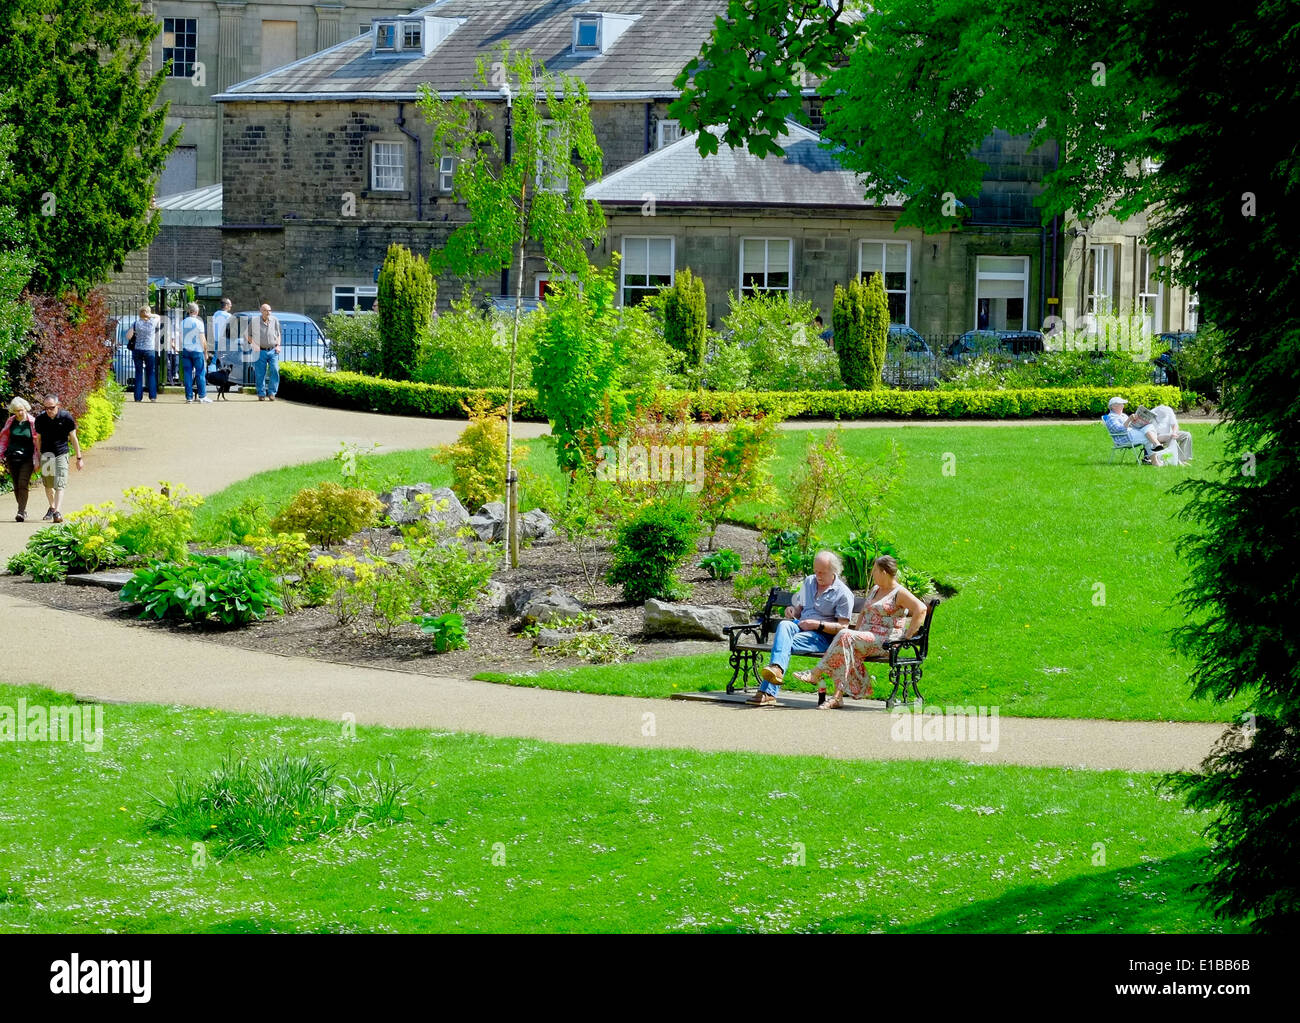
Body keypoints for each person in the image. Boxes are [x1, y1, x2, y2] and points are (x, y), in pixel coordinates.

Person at [798, 555, 928, 710]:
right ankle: (837, 698)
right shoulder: (875, 590)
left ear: (884, 573)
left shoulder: (899, 593)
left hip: (885, 642)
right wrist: (857, 633)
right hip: (866, 638)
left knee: (845, 635)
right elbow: (863, 613)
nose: (872, 575)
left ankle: (816, 673)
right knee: (846, 643)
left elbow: (921, 609)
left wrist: (906, 638)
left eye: (874, 571)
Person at [748, 550, 854, 707]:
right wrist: (792, 610)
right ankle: (776, 670)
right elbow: (799, 608)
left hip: (822, 636)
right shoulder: (809, 582)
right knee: (784, 624)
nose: (817, 576)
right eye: (815, 571)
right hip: (800, 627)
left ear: (834, 571)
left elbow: (843, 628)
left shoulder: (843, 594)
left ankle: (768, 691)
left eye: (822, 573)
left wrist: (817, 624)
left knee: (782, 644)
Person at [32, 395, 82, 524]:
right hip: (46, 454)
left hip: (61, 453)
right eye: (46, 408)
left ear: (58, 405)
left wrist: (79, 458)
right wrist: (37, 457)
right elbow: (38, 439)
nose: (49, 410)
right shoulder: (41, 419)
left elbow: (73, 438)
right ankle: (52, 507)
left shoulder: (66, 417)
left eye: (52, 408)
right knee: (48, 484)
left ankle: (57, 512)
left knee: (60, 482)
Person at [0, 397, 40, 521]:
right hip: (12, 457)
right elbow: (4, 438)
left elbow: (37, 442)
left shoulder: (32, 422)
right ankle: (22, 509)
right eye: (16, 410)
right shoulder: (11, 421)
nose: (19, 413)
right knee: (16, 485)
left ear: (25, 409)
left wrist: (38, 458)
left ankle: (21, 511)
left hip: (27, 457)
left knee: (23, 483)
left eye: (21, 410)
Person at [1104, 396, 1165, 462]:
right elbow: (1119, 429)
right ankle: (1156, 450)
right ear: (1114, 406)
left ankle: (1156, 445)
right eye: (1121, 404)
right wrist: (1129, 419)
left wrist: (1136, 421)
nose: (1123, 406)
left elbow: (1130, 426)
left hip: (1132, 433)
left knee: (1149, 426)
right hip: (1125, 438)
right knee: (1149, 437)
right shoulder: (1111, 418)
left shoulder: (1123, 415)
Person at [244, 303, 282, 401]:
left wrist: (278, 345)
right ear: (261, 311)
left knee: (275, 370)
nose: (268, 312)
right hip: (260, 350)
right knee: (260, 373)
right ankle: (261, 393)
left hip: (273, 350)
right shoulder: (255, 321)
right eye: (265, 310)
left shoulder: (275, 320)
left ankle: (272, 393)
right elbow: (247, 335)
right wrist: (254, 345)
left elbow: (278, 334)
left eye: (269, 310)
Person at [126, 304, 159, 402]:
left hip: (138, 350)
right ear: (148, 313)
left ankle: (138, 397)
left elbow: (128, 336)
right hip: (149, 350)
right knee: (151, 373)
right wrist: (149, 315)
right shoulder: (152, 322)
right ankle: (152, 396)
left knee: (138, 373)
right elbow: (158, 316)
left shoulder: (136, 323)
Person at [180, 302, 211, 403]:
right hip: (197, 351)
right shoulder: (199, 323)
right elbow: (203, 339)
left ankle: (189, 397)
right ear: (196, 311)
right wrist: (205, 352)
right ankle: (202, 396)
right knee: (200, 373)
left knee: (187, 374)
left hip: (186, 350)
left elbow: (180, 337)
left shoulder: (183, 322)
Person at [211, 297, 233, 366]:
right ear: (226, 305)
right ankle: (214, 368)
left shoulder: (216, 314)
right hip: (224, 340)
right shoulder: (228, 316)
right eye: (230, 304)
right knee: (224, 357)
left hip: (217, 339)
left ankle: (214, 368)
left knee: (217, 355)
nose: (231, 305)